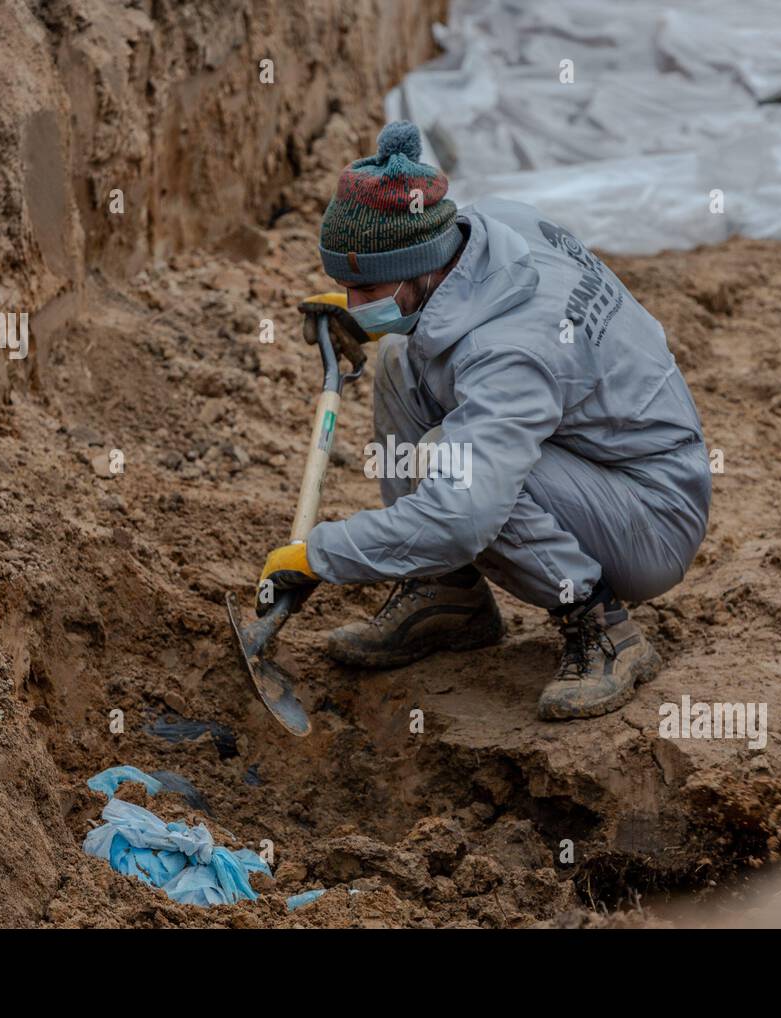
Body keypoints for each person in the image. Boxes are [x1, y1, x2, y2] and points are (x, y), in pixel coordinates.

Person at [258, 121, 710, 721]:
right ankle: (446, 596)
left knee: (460, 467)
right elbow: (434, 317)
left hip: (652, 514)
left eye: (366, 288)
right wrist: (368, 313)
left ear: (420, 266)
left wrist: (319, 555)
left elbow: (461, 517)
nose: (355, 302)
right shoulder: (483, 229)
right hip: (593, 454)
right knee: (399, 358)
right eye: (345, 288)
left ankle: (605, 631)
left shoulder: (511, 352)